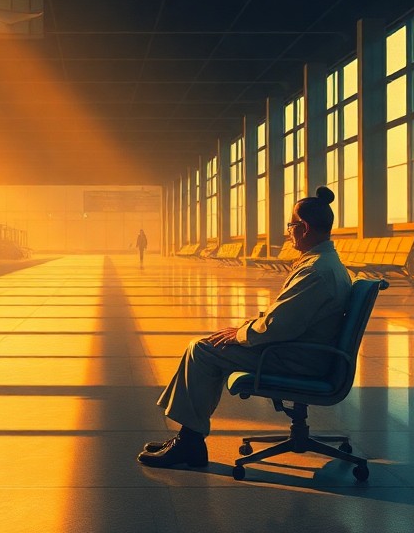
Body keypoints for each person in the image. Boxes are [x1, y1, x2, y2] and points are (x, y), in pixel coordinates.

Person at [137, 186, 351, 469]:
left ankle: (189, 443)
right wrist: (245, 328)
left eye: (290, 225)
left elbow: (277, 327)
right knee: (210, 344)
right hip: (306, 350)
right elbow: (285, 318)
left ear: (304, 228)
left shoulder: (315, 271)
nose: (288, 232)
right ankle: (187, 437)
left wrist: (240, 334)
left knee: (202, 350)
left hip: (297, 358)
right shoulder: (325, 263)